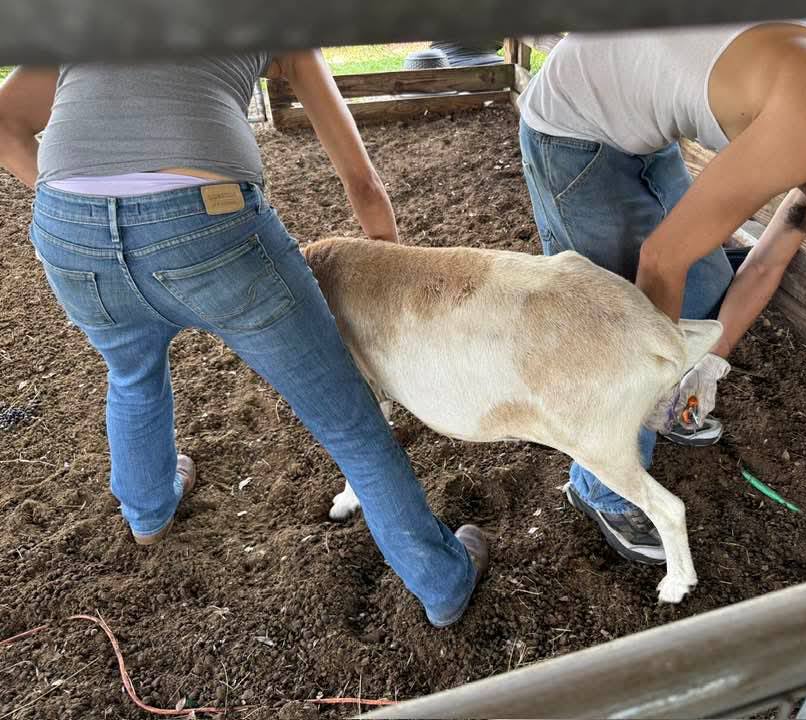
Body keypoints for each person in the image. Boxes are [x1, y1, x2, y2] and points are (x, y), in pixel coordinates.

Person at [0, 51, 488, 628]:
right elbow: (362, 182)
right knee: (346, 417)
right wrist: (386, 263)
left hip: (68, 231)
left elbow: (6, 121)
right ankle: (442, 578)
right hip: (208, 224)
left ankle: (149, 511)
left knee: (131, 372)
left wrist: (86, 210)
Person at [518, 20, 806, 565]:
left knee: (703, 287)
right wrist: (654, 387)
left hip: (638, 124)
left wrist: (708, 364)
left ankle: (656, 407)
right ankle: (605, 486)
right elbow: (661, 259)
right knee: (613, 321)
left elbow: (769, 258)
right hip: (574, 128)